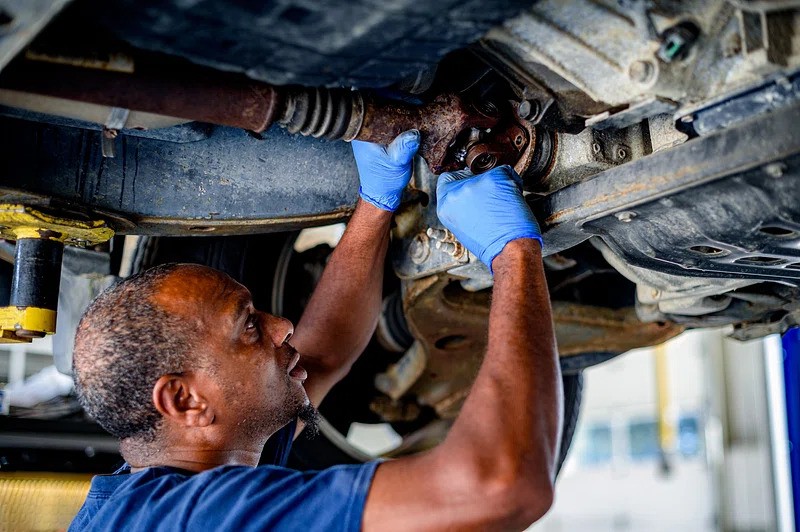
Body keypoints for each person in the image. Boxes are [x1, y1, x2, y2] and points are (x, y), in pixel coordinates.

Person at [69, 130, 563, 531]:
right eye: (247, 327)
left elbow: (321, 355)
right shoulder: (197, 520)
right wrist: (513, 252)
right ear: (183, 401)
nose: (282, 325)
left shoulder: (181, 468)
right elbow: (503, 485)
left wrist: (375, 204)